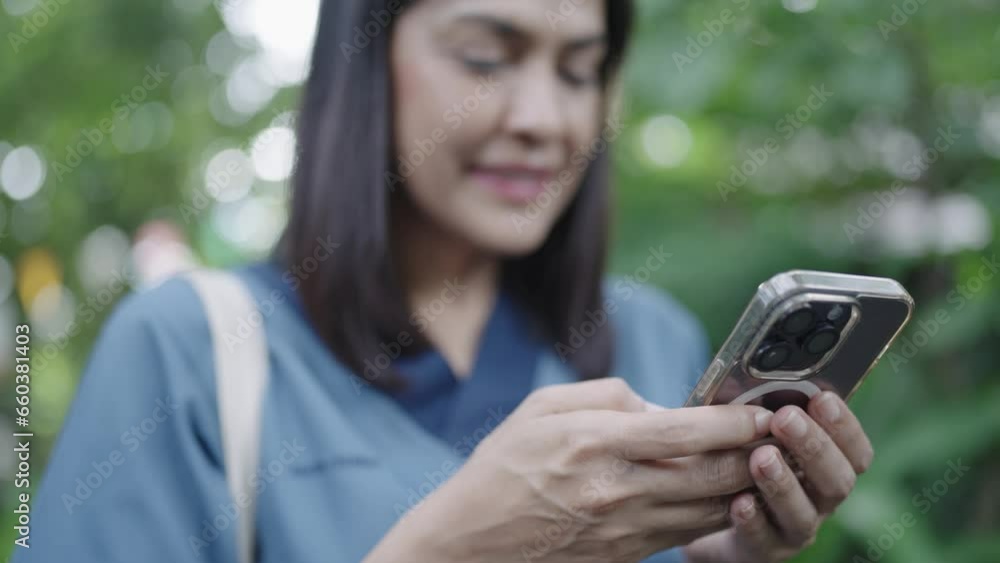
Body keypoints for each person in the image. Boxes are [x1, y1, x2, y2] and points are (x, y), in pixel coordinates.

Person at [19, 1, 874, 561]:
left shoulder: (655, 340)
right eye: (484, 58)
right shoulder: (186, 352)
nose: (543, 118)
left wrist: (727, 554)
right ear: (365, 59)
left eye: (579, 70)